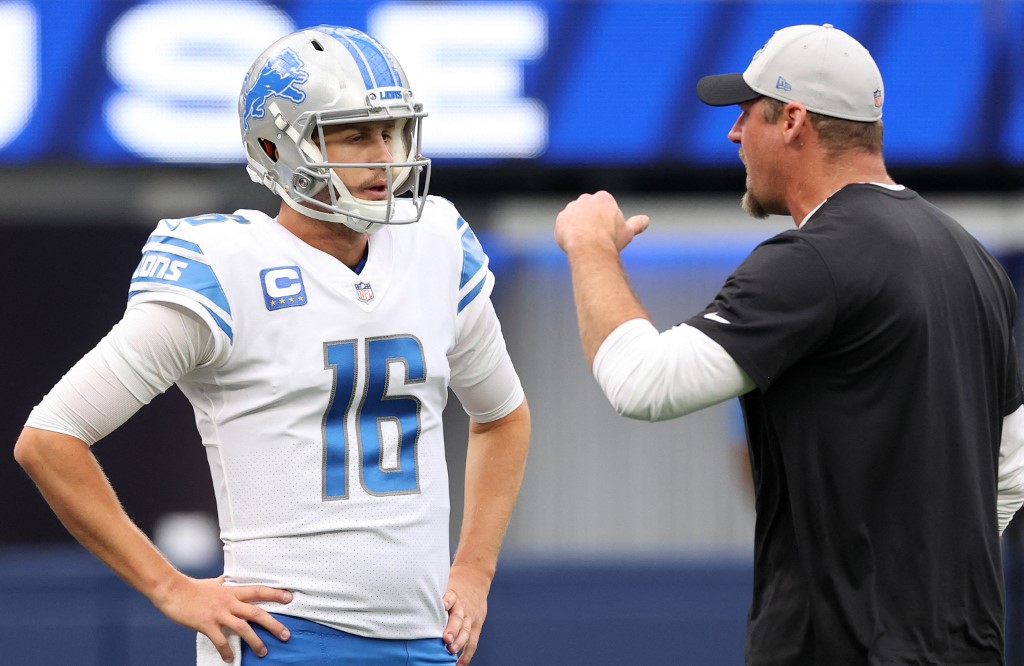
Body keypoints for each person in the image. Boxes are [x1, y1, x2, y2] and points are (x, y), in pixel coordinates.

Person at [14, 25, 529, 666]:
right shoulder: (227, 266)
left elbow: (502, 416)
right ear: (276, 145)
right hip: (284, 640)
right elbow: (50, 438)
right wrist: (169, 587)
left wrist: (474, 571)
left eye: (393, 130)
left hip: (425, 641)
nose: (384, 154)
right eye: (354, 134)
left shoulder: (437, 242)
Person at [554, 23, 1024, 664]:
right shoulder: (976, 263)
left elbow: (644, 383)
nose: (733, 134)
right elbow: (1011, 471)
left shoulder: (816, 259)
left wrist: (589, 246)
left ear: (795, 121)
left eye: (747, 114)